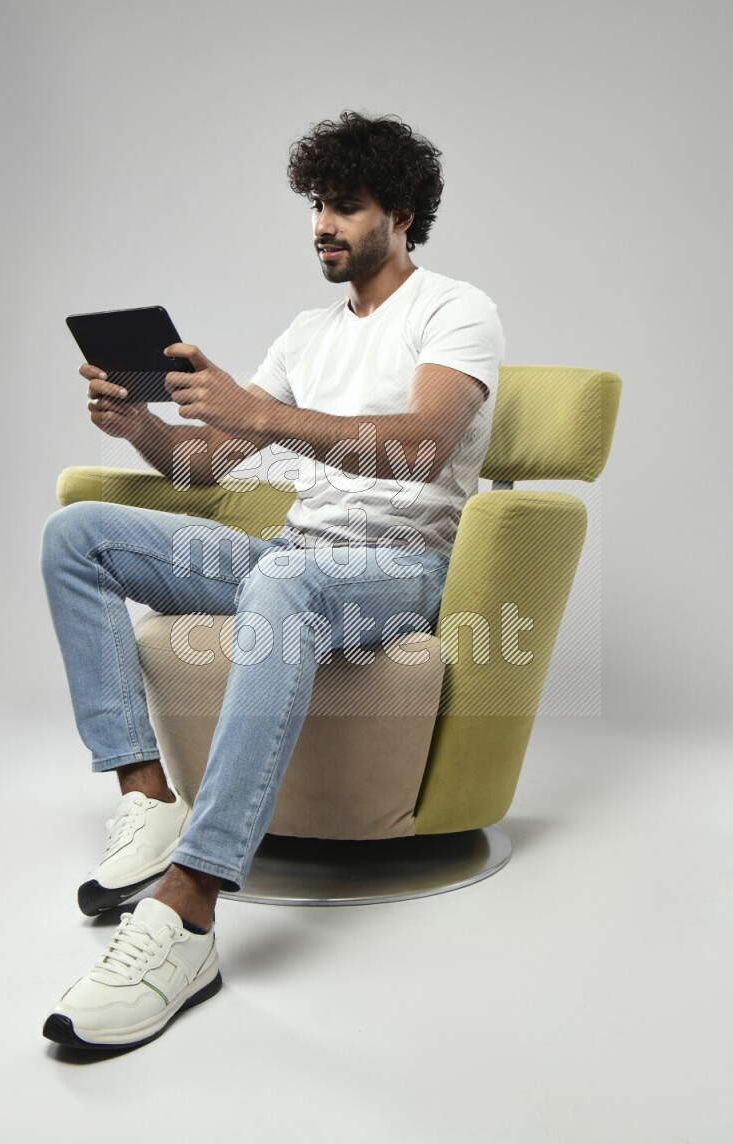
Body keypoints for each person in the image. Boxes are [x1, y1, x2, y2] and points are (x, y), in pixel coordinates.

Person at [40, 110, 506, 1052]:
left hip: (394, 567)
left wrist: (263, 414)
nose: (323, 225)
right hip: (289, 551)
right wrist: (140, 426)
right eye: (316, 206)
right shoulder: (306, 332)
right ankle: (147, 800)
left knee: (284, 589)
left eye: (347, 206)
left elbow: (418, 450)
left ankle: (192, 911)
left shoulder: (456, 310)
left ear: (402, 214)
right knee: (78, 535)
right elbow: (208, 466)